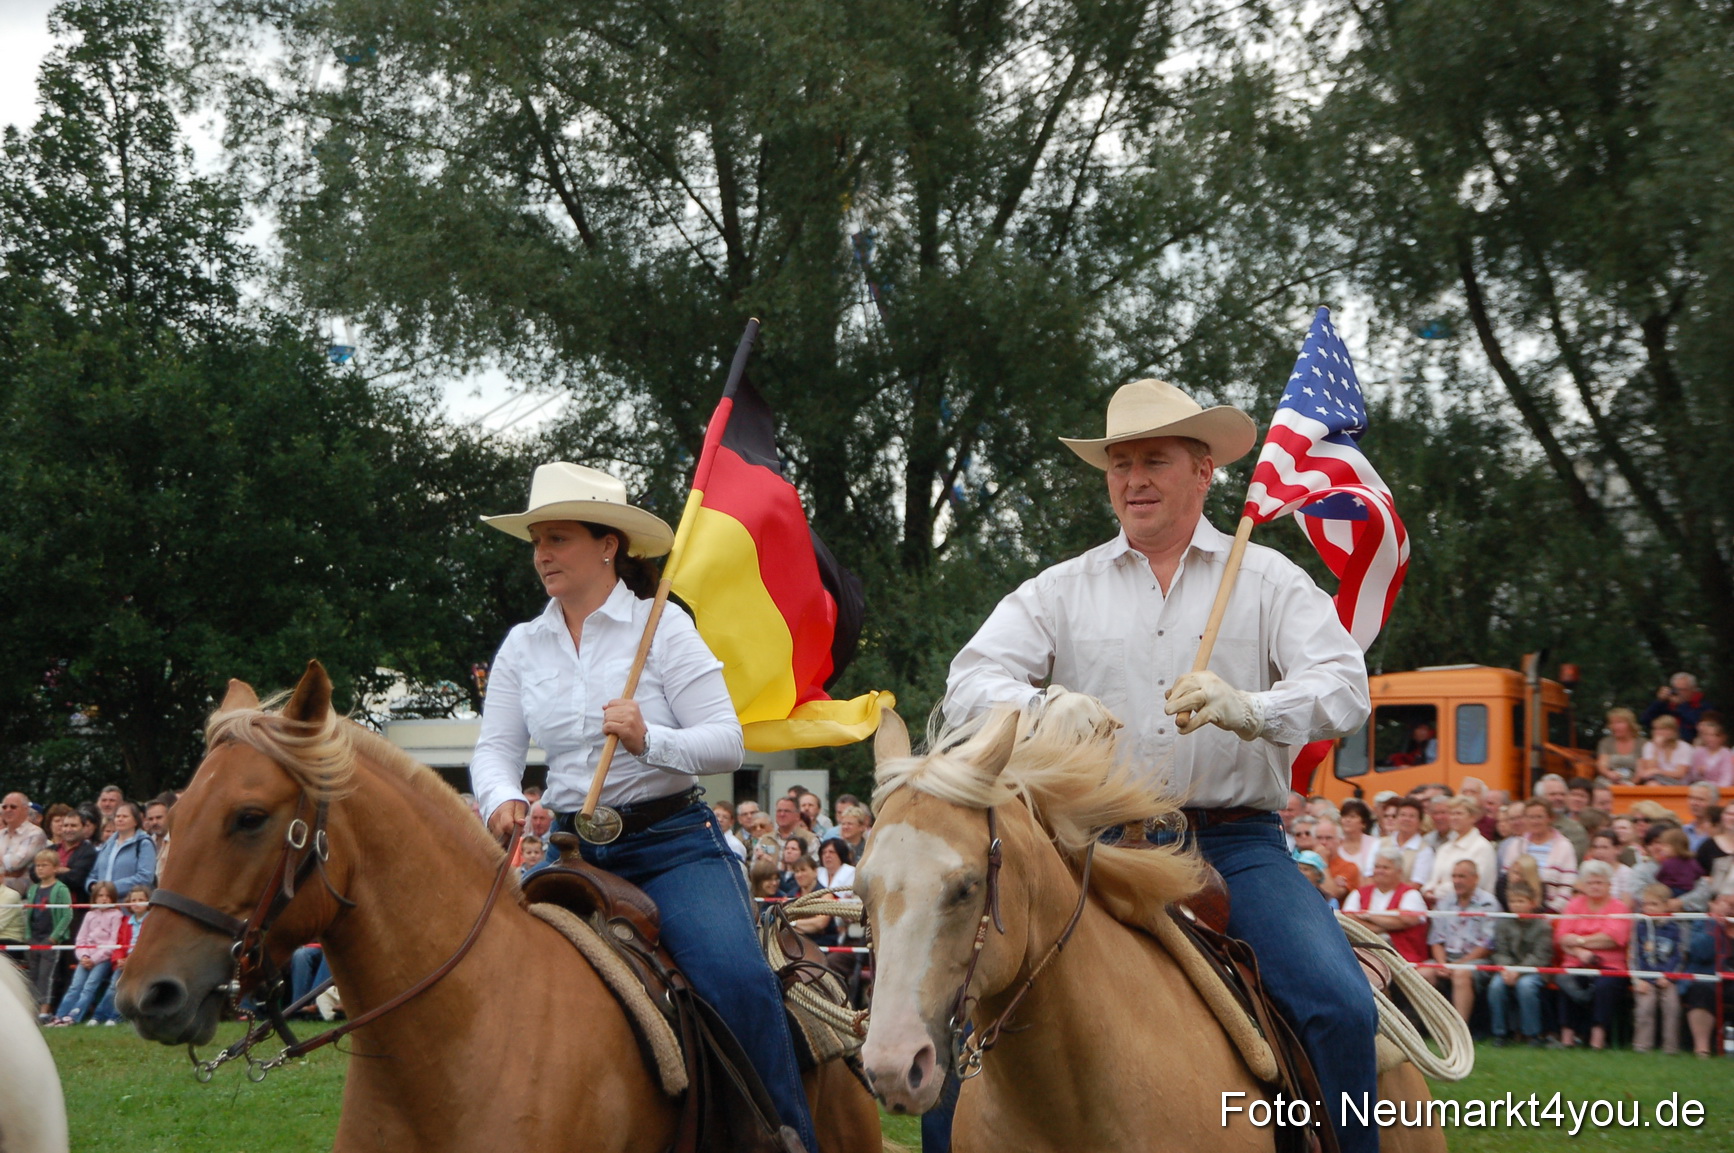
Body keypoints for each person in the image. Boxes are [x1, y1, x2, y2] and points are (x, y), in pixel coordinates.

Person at [941, 378, 1378, 1152]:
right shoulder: (1060, 589)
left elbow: (1346, 687)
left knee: (1336, 1004)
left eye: (1154, 460)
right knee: (962, 1015)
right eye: (1120, 464)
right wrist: (1042, 710)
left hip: (1232, 847)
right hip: (1087, 850)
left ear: (1203, 470)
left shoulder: (1269, 579)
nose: (1134, 479)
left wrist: (1254, 708)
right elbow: (968, 682)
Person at [466, 461, 819, 1153]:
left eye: (559, 537)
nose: (542, 553)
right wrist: (502, 798)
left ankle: (785, 1138)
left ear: (608, 545)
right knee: (486, 972)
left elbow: (727, 743)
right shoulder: (521, 645)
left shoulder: (664, 630)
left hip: (673, 845)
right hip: (571, 848)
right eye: (538, 539)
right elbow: (494, 751)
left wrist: (647, 737)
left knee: (736, 977)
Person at [1553, 861, 1631, 1049]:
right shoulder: (1573, 905)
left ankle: (1598, 1037)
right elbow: (1561, 937)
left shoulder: (1619, 908)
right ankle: (1567, 1037)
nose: (1595, 886)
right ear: (1583, 885)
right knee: (1569, 982)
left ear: (1609, 885)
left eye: (1600, 882)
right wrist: (1580, 952)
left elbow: (1612, 939)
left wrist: (1579, 941)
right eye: (1590, 882)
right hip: (1576, 962)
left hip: (1610, 965)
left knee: (1604, 986)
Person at [1427, 860, 1497, 1022]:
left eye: (1462, 877)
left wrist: (1459, 964)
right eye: (1454, 876)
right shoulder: (1445, 902)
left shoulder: (1488, 903)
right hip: (1448, 958)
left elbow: (1487, 945)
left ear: (1476, 878)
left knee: (1461, 974)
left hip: (1477, 960)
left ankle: (1460, 1030)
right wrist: (1442, 963)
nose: (1457, 881)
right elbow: (1436, 939)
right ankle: (1434, 1027)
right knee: (1422, 973)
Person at [1486, 881, 1552, 1046]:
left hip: (1535, 971)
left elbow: (1540, 956)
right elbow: (1499, 951)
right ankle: (1500, 1034)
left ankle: (1533, 1034)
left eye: (1521, 901)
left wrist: (1518, 971)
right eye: (1513, 901)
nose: (1516, 905)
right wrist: (1507, 970)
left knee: (1526, 986)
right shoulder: (1503, 923)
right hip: (1507, 970)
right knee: (1495, 986)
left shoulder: (1543, 927)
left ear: (1532, 903)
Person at [49, 880, 123, 1026]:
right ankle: (60, 1015)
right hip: (86, 956)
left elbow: (112, 942)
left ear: (113, 898)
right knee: (75, 986)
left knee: (90, 986)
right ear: (94, 897)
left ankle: (74, 1015)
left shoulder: (116, 915)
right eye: (100, 895)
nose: (104, 899)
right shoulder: (90, 915)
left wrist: (94, 959)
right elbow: (81, 939)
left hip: (103, 958)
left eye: (108, 896)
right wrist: (84, 956)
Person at [1343, 849, 1430, 964]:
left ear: (1399, 872)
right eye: (1377, 867)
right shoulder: (1358, 893)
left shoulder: (1411, 894)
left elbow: (1408, 919)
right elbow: (1347, 919)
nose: (1380, 871)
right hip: (1363, 954)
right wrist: (1383, 926)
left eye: (1385, 868)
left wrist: (1368, 916)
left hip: (1402, 958)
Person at [1630, 883, 1687, 1055]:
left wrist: (1669, 977)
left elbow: (1679, 956)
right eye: (1646, 904)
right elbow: (1633, 955)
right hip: (1644, 977)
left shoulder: (1675, 928)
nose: (1648, 908)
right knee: (1645, 1006)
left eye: (1654, 904)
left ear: (1666, 905)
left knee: (1672, 1006)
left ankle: (1671, 1047)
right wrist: (1638, 979)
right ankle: (1642, 1046)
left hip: (1667, 978)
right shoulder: (1639, 927)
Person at [1681, 887, 1734, 1058]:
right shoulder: (1702, 923)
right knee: (1700, 989)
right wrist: (1716, 926)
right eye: (1725, 902)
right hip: (1710, 977)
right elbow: (1700, 953)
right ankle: (1702, 1049)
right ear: (1712, 904)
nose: (1730, 907)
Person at [1499, 799, 1578, 912]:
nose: (1535, 821)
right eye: (1531, 817)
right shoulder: (1516, 845)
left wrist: (1550, 913)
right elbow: (1505, 881)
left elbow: (1567, 887)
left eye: (1539, 817)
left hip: (1550, 913)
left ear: (1550, 818)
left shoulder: (1564, 846)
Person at [88, 885, 150, 1025]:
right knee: (113, 986)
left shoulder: (151, 921)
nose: (136, 902)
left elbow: (148, 946)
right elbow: (119, 944)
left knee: (128, 988)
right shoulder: (126, 921)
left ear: (148, 902)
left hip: (141, 963)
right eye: (133, 899)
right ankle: (98, 1016)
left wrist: (131, 961)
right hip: (123, 963)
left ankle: (116, 1016)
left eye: (141, 899)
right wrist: (119, 960)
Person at [23, 850, 72, 1020]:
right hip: (34, 937)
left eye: (45, 865)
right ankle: (33, 1009)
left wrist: (55, 937)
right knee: (33, 974)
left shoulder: (60, 889)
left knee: (47, 975)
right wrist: (28, 934)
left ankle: (45, 1010)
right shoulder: (33, 889)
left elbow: (67, 914)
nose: (40, 869)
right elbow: (29, 913)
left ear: (55, 868)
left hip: (50, 939)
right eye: (38, 865)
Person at [1422, 796, 1497, 903]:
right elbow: (1432, 879)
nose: (1454, 818)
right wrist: (1428, 890)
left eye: (1459, 814)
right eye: (1452, 814)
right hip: (1441, 908)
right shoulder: (1444, 848)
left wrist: (1438, 891)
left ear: (1473, 817)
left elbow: (1476, 883)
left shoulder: (1483, 847)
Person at [89, 800, 156, 896]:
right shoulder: (108, 844)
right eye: (117, 816)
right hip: (102, 905)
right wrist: (92, 885)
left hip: (129, 905)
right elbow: (94, 873)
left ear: (135, 821)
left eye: (125, 816)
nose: (120, 819)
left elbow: (145, 877)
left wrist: (111, 888)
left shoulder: (144, 844)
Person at [1641, 672, 1714, 743]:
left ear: (1693, 689)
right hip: (1667, 744)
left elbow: (1698, 724)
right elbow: (1645, 720)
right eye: (1676, 689)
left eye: (1683, 690)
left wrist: (1681, 706)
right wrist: (1660, 701)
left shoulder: (1703, 705)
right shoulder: (1667, 704)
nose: (1679, 693)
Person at [1379, 797, 1435, 886]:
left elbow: (1416, 884)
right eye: (1403, 815)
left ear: (1420, 822)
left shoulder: (1424, 850)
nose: (1406, 819)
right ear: (1396, 818)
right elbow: (1369, 875)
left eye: (1412, 816)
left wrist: (1391, 897)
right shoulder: (1380, 843)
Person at [1, 792, 49, 895]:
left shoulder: (35, 834)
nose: (8, 810)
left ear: (25, 809)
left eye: (13, 807)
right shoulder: (0, 835)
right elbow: (12, 868)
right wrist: (10, 872)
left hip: (23, 900)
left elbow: (15, 864)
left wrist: (9, 869)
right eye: (4, 807)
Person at [1535, 773, 1588, 858]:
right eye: (1553, 794)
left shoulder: (1575, 830)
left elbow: (1572, 859)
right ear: (1540, 798)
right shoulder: (1529, 826)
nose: (1559, 798)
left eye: (1562, 794)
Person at [1311, 818, 1361, 903]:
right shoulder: (1303, 863)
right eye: (1319, 838)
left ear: (1340, 841)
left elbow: (1332, 893)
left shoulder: (1349, 867)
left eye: (1329, 838)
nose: (1323, 842)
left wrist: (1322, 862)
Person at [1636, 715, 1694, 785]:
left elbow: (1680, 774)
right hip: (1656, 781)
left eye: (1662, 729)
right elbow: (1650, 770)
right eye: (1656, 729)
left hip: (1678, 784)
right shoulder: (1649, 746)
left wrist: (1658, 771)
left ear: (1673, 731)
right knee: (1652, 784)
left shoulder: (1684, 747)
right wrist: (1657, 748)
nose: (1658, 732)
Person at [1596, 707, 1643, 781]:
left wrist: (1631, 784)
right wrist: (1608, 773)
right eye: (1612, 723)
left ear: (1630, 724)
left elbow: (1641, 770)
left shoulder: (1642, 743)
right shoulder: (1606, 742)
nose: (1615, 726)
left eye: (1619, 722)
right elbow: (1602, 765)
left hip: (1635, 781)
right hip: (1610, 778)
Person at [1684, 784, 1720, 853]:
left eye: (1700, 799)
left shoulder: (1722, 832)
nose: (1694, 803)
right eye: (1691, 798)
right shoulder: (1683, 831)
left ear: (1714, 803)